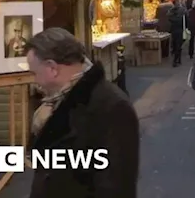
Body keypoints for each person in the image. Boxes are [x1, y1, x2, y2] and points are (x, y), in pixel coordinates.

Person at [27, 28, 139, 197]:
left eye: (34, 73)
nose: (35, 81)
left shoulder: (111, 107)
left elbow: (115, 186)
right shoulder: (58, 103)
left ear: (52, 68)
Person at [167, 0, 187, 67]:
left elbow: (169, 18)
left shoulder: (171, 11)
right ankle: (177, 59)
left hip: (174, 29)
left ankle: (177, 59)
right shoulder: (183, 10)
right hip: (180, 29)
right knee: (178, 45)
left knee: (176, 45)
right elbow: (186, 19)